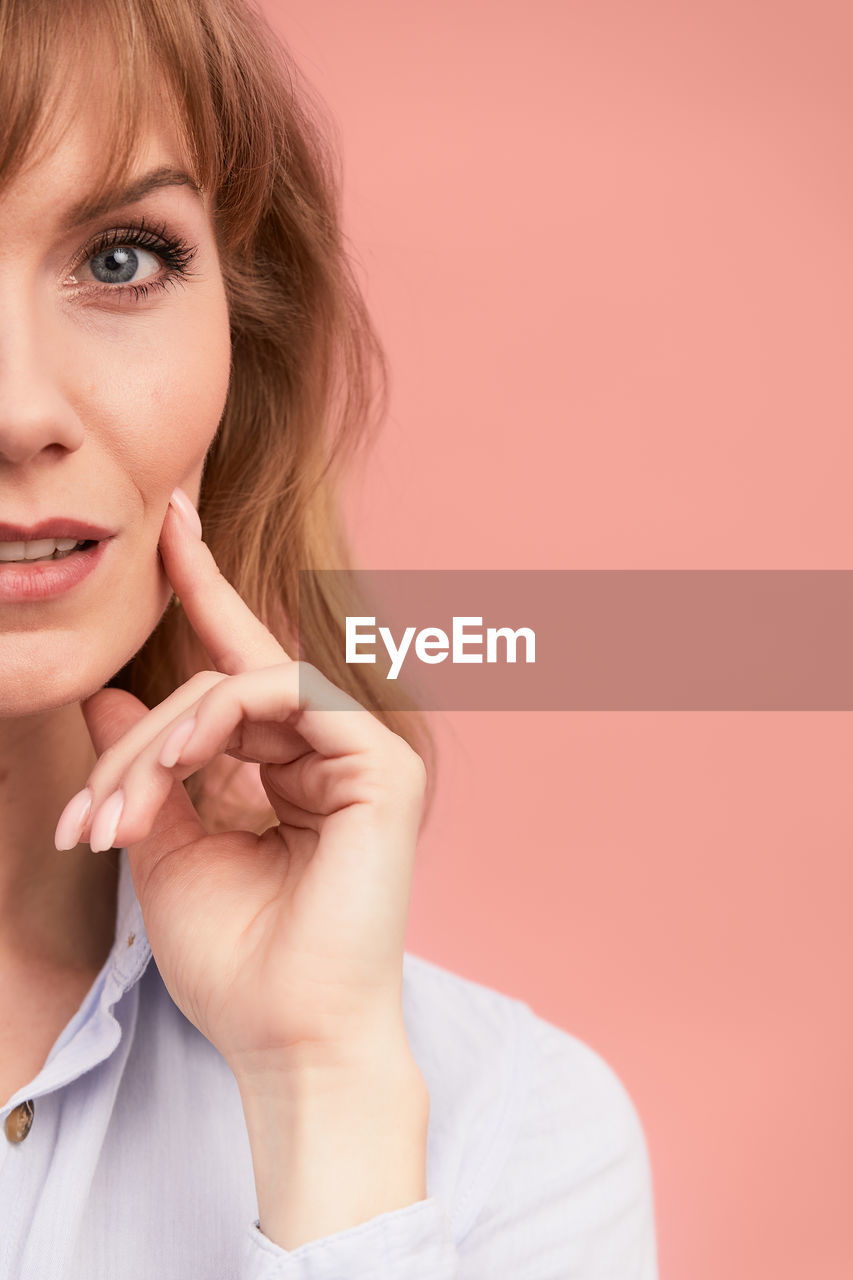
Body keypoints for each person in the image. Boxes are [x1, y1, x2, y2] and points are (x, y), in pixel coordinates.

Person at [0, 0, 658, 1275]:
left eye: (124, 259)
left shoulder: (506, 1137)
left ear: (244, 345)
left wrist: (320, 1096)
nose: (20, 409)